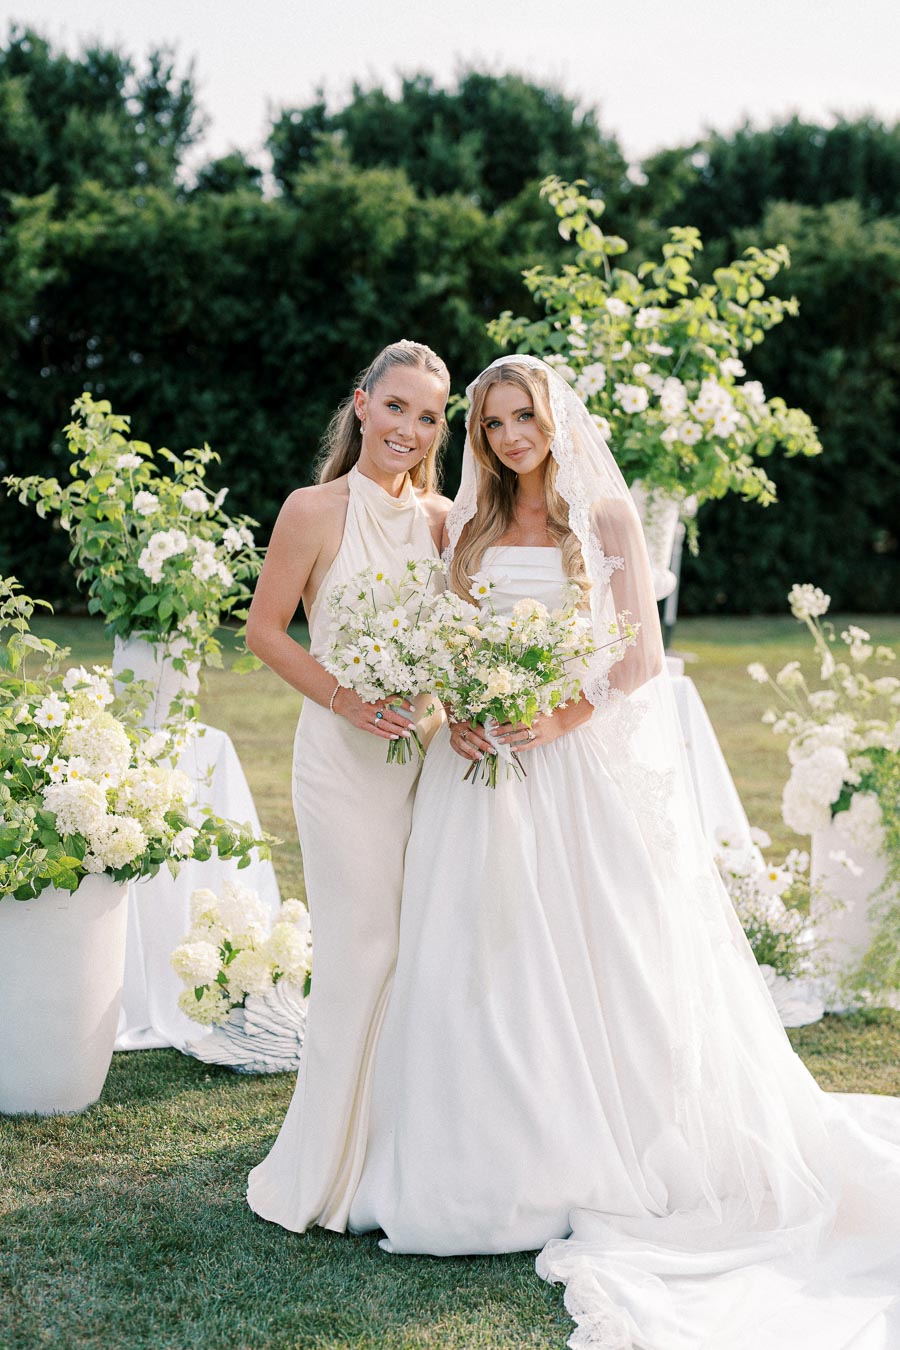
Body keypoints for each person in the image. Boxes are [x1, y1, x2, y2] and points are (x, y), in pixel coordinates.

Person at [348, 356, 900, 1348]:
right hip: (478, 776)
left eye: (525, 418)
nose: (512, 436)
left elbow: (638, 655)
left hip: (572, 767)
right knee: (477, 957)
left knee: (598, 952)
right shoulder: (469, 532)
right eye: (494, 423)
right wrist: (466, 714)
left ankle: (604, 1150)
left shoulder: (603, 522)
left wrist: (549, 719)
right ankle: (480, 1159)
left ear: (555, 420)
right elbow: (449, 643)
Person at [245, 340, 452, 1234]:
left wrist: (449, 708)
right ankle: (323, 1163)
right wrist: (349, 698)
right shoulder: (313, 509)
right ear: (361, 404)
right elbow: (266, 632)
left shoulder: (448, 521)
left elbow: (461, 644)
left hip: (430, 760)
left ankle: (402, 1150)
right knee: (361, 949)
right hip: (340, 758)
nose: (409, 428)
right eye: (396, 406)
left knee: (424, 951)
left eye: (429, 416)